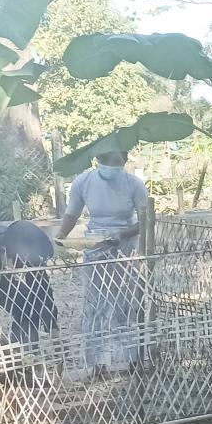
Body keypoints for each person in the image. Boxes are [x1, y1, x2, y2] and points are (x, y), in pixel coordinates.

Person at [58, 149, 151, 375]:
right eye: (107, 161)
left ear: (125, 161)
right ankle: (98, 363)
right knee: (97, 303)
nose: (111, 167)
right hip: (96, 246)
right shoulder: (84, 181)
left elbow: (146, 219)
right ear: (98, 160)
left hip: (125, 247)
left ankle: (132, 359)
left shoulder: (134, 184)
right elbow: (72, 213)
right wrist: (61, 235)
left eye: (116, 162)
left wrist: (123, 234)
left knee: (127, 302)